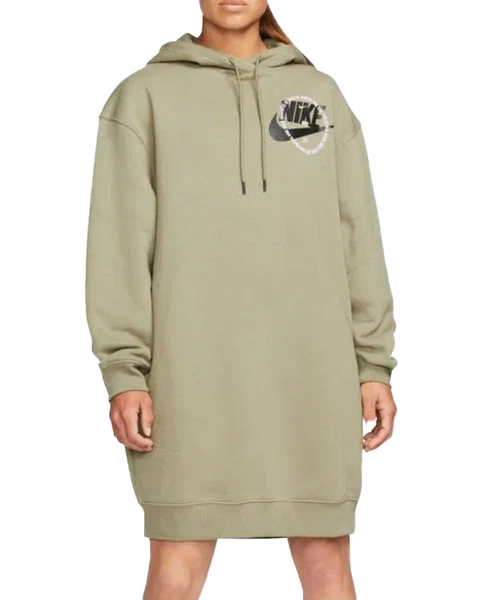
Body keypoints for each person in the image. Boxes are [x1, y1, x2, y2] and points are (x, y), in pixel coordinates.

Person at [85, 1, 398, 598]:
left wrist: (372, 364)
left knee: (327, 559)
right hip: (188, 379)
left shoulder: (320, 96)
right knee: (177, 565)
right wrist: (124, 372)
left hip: (312, 375)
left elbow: (358, 237)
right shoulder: (143, 97)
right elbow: (118, 245)